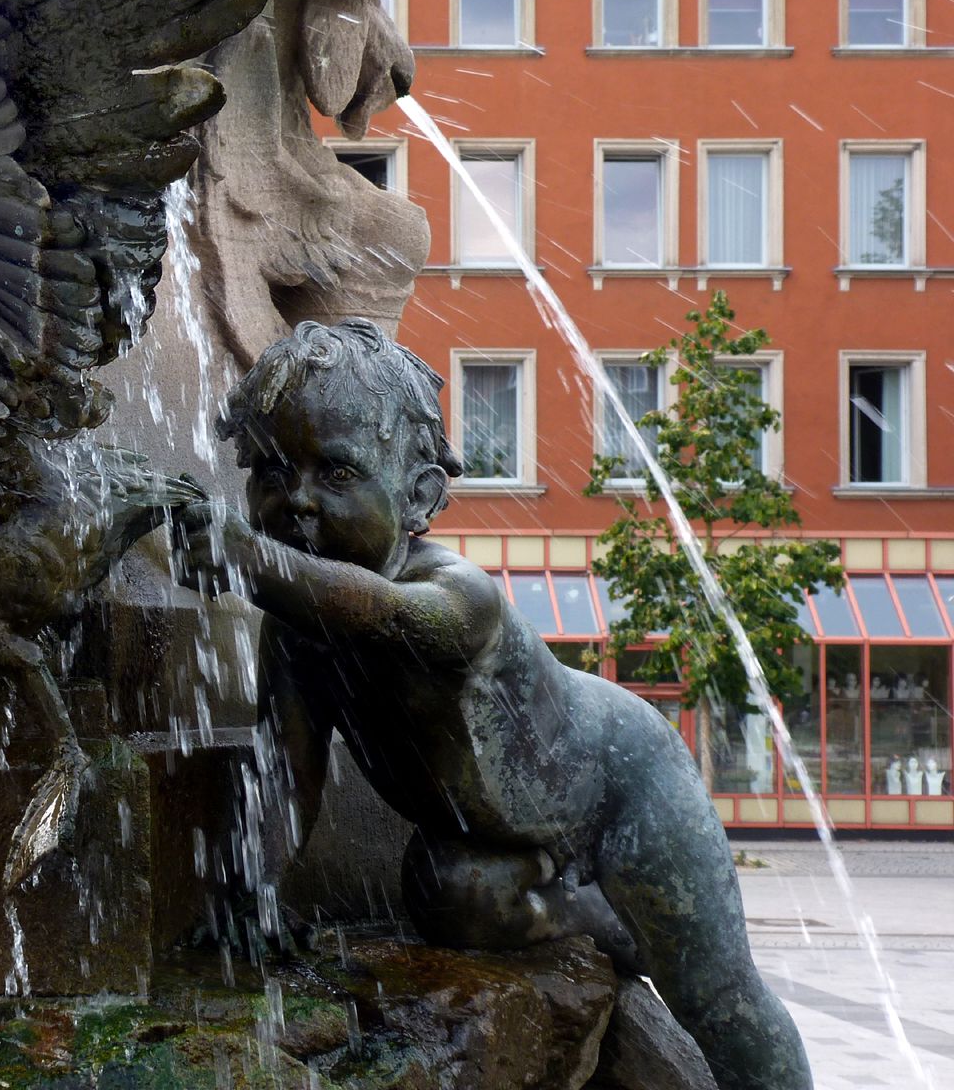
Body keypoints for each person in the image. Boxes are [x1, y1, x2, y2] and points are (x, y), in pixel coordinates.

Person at [172, 319, 811, 1090]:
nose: (298, 499)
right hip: (482, 839)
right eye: (273, 473)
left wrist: (251, 559)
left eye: (336, 474)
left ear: (419, 494)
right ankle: (591, 917)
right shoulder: (297, 639)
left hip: (622, 785)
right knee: (446, 896)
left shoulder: (458, 595)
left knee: (717, 994)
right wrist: (252, 893)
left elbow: (381, 613)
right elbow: (287, 776)